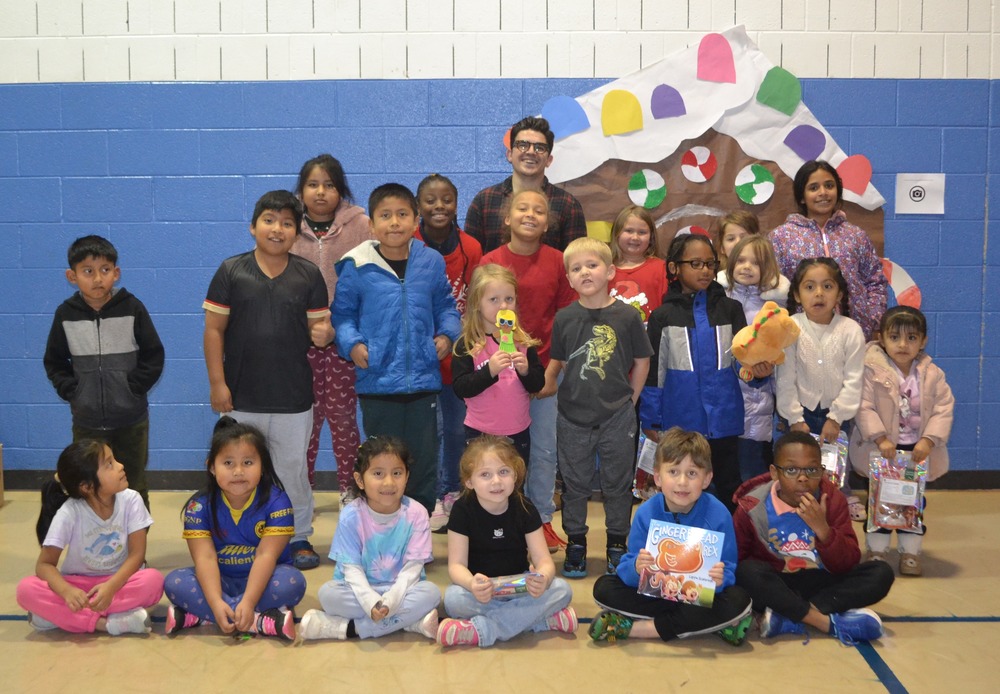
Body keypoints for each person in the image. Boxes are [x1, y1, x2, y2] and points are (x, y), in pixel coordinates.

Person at [203, 190, 333, 569]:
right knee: (240, 469)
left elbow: (319, 329)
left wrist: (327, 334)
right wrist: (217, 383)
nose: (278, 229)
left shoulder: (308, 275)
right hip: (242, 396)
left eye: (288, 223)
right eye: (270, 220)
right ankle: (240, 535)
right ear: (253, 226)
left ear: (298, 232)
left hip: (293, 396)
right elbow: (214, 331)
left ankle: (299, 537)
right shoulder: (231, 271)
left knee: (292, 468)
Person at [332, 183, 463, 515]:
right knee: (383, 464)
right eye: (385, 216)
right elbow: (342, 315)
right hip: (377, 381)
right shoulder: (357, 265)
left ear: (416, 219)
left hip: (423, 381)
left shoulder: (430, 261)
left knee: (422, 459)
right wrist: (352, 344)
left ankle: (417, 533)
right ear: (372, 225)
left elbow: (447, 307)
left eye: (402, 214)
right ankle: (382, 529)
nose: (394, 223)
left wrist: (447, 336)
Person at [547, 237, 652, 578]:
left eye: (591, 265)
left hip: (617, 415)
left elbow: (641, 361)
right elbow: (559, 361)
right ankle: (576, 542)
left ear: (609, 271)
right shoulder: (564, 318)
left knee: (618, 484)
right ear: (569, 278)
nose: (584, 272)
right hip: (573, 415)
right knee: (574, 485)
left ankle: (617, 543)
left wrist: (631, 401)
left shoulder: (626, 316)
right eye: (576, 268)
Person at [589, 428, 753, 645]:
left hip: (697, 598)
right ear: (657, 477)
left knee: (738, 601)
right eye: (673, 472)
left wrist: (720, 579)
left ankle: (638, 629)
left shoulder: (719, 514)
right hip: (658, 595)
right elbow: (627, 568)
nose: (682, 482)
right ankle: (706, 625)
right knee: (604, 588)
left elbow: (729, 567)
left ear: (707, 479)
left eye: (692, 473)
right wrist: (637, 568)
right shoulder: (646, 513)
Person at [480, 188, 577, 552]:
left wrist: (551, 372)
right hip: (497, 369)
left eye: (539, 210)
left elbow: (567, 323)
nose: (530, 215)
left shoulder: (556, 261)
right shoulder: (491, 261)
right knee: (497, 451)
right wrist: (486, 366)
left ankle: (541, 520)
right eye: (522, 208)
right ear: (507, 218)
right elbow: (476, 316)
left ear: (548, 222)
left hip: (544, 370)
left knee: (542, 450)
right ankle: (496, 520)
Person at [640, 234, 766, 514]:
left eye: (710, 263)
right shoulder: (663, 316)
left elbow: (743, 363)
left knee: (728, 485)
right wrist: (651, 417)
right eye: (696, 263)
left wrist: (757, 373)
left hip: (724, 419)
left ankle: (730, 547)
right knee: (682, 488)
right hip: (681, 421)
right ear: (674, 268)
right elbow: (654, 373)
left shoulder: (730, 310)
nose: (706, 270)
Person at [733, 432, 895, 644]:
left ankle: (789, 617)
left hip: (821, 581)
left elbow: (847, 562)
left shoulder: (833, 499)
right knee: (747, 572)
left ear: (822, 471)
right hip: (778, 585)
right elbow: (737, 564)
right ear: (774, 472)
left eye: (812, 470)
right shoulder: (751, 507)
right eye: (791, 470)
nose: (803, 478)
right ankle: (822, 621)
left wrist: (824, 530)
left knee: (881, 572)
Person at [43, 235, 164, 510]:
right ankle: (98, 546)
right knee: (89, 484)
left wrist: (134, 387)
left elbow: (154, 355)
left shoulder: (133, 308)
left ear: (116, 273)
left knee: (133, 483)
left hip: (131, 420)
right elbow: (54, 361)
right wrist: (72, 390)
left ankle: (137, 548)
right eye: (88, 271)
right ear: (72, 276)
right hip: (86, 422)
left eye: (105, 270)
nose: (97, 278)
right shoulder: (65, 314)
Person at [163, 417, 304, 640]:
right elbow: (205, 559)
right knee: (174, 582)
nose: (238, 471)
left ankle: (204, 616)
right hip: (220, 579)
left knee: (293, 582)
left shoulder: (277, 502)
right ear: (211, 466)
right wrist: (216, 601)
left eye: (248, 463)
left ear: (262, 466)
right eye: (228, 463)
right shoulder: (198, 506)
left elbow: (266, 555)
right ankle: (257, 620)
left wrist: (248, 601)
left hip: (266, 578)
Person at [439, 436, 577, 647]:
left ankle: (484, 630)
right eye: (485, 474)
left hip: (520, 587)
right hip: (482, 589)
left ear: (515, 475)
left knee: (561, 589)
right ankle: (538, 621)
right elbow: (456, 565)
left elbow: (543, 560)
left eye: (503, 472)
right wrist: (471, 584)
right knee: (453, 599)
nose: (496, 481)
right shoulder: (462, 510)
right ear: (469, 481)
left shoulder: (525, 507)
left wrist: (542, 578)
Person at [299, 437, 440, 641]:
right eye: (378, 473)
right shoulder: (351, 515)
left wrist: (390, 600)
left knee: (431, 593)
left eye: (397, 473)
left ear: (407, 477)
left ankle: (346, 629)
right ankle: (410, 622)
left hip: (401, 589)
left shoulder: (417, 513)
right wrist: (370, 602)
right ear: (360, 480)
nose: (389, 482)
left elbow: (413, 569)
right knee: (328, 595)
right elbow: (351, 569)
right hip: (358, 589)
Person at [16, 441, 163, 635]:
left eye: (115, 460)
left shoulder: (132, 500)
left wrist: (111, 586)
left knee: (153, 581)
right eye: (110, 464)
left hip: (118, 581)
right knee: (26, 589)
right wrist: (66, 591)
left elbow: (137, 555)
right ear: (87, 487)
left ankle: (60, 617)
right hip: (78, 585)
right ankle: (106, 623)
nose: (120, 466)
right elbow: (44, 565)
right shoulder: (70, 512)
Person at [849, 306, 954, 576]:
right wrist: (880, 438)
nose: (903, 344)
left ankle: (910, 552)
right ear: (882, 339)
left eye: (911, 338)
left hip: (916, 452)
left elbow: (944, 408)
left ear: (923, 341)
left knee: (912, 503)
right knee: (879, 501)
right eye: (894, 337)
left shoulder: (933, 375)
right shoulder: (871, 371)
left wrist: (929, 440)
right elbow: (863, 407)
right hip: (882, 451)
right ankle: (877, 550)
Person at [291, 154, 371, 495]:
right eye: (312, 185)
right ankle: (299, 492)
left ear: (341, 191)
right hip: (298, 345)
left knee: (342, 419)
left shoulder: (360, 226)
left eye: (329, 185)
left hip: (343, 342)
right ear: (301, 191)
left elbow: (370, 283)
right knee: (304, 423)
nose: (320, 192)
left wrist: (344, 329)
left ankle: (349, 490)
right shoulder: (287, 225)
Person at [414, 173, 484, 532]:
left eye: (446, 200)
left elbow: (475, 301)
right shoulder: (408, 244)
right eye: (430, 200)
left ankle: (451, 492)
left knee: (457, 430)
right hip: (418, 355)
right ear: (418, 206)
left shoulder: (470, 247)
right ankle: (424, 499)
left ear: (457, 203)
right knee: (428, 432)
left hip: (456, 354)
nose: (439, 206)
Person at [775, 257, 866, 520]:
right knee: (795, 467)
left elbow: (853, 379)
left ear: (839, 293)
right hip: (797, 415)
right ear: (796, 294)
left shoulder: (850, 330)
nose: (818, 294)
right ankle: (790, 508)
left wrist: (837, 417)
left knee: (834, 466)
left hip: (834, 415)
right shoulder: (790, 327)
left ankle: (840, 499)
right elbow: (785, 378)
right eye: (809, 287)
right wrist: (794, 417)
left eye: (827, 287)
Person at [770, 160, 887, 340]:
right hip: (799, 337)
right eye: (813, 187)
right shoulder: (781, 237)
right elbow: (772, 285)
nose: (823, 193)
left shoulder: (856, 236)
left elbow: (875, 281)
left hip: (853, 336)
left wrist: (870, 320)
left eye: (829, 185)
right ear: (802, 196)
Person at [451, 264, 544, 466]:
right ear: (477, 303)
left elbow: (537, 385)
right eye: (494, 300)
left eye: (509, 299)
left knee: (515, 483)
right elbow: (461, 388)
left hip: (517, 431)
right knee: (481, 484)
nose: (503, 306)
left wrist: (526, 371)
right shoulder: (466, 344)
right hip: (479, 432)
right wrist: (489, 371)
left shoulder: (523, 343)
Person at [718, 235, 791, 480]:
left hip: (757, 398)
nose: (747, 267)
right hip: (723, 397)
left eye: (756, 263)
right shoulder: (718, 301)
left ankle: (751, 517)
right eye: (740, 260)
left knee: (752, 472)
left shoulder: (774, 310)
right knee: (722, 470)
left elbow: (777, 352)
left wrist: (762, 373)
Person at [464, 115, 586, 254]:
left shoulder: (568, 205)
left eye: (540, 148)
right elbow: (471, 259)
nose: (530, 152)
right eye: (522, 145)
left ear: (549, 160)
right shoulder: (484, 201)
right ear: (509, 154)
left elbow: (577, 263)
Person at [609, 205, 668, 322]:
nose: (635, 237)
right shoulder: (603, 270)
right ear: (617, 234)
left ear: (651, 237)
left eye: (642, 232)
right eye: (629, 231)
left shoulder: (661, 269)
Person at [714, 210, 761, 277]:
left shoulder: (772, 279)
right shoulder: (716, 282)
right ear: (722, 248)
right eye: (731, 239)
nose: (738, 243)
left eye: (744, 237)